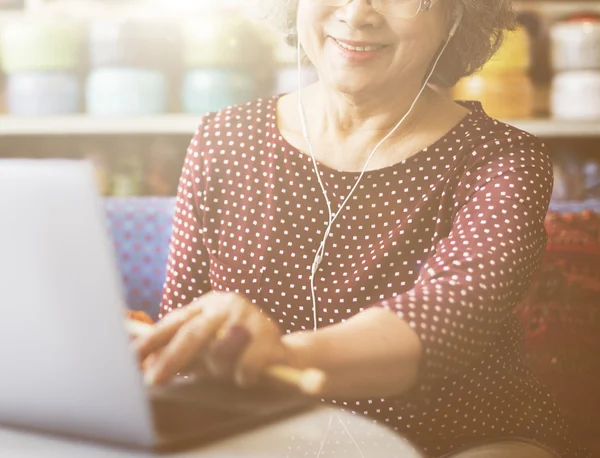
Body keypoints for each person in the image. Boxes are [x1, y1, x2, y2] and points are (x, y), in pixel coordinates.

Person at [134, 0, 588, 456]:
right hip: (268, 431)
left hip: (459, 437)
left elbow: (451, 317)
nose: (357, 12)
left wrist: (284, 355)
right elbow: (184, 325)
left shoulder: (502, 159)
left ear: (455, 15)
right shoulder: (222, 138)